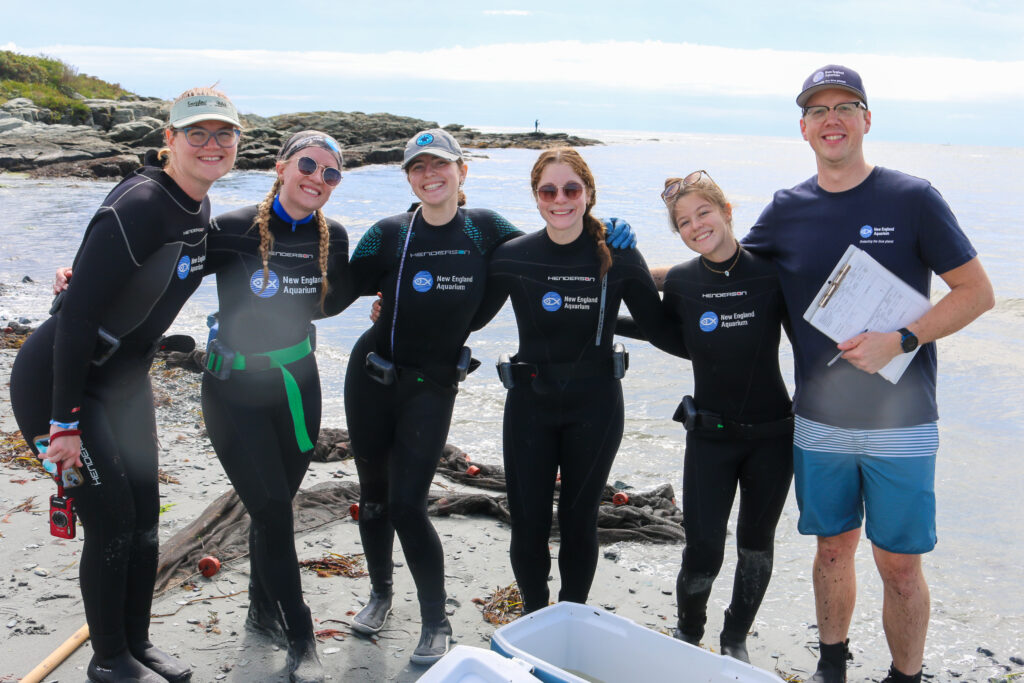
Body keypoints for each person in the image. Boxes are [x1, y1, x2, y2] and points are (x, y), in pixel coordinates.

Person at [742, 65, 994, 683]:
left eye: (845, 106)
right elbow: (726, 272)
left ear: (866, 120)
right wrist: (625, 266)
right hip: (819, 421)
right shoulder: (786, 208)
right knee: (832, 549)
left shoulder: (912, 198)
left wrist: (902, 338)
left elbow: (977, 293)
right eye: (819, 110)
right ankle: (833, 667)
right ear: (803, 129)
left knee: (900, 565)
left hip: (902, 419)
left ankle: (905, 677)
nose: (832, 119)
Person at [345, 131, 635, 664]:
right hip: (371, 371)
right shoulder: (388, 232)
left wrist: (613, 237)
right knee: (374, 496)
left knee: (408, 503)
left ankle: (443, 620)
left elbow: (551, 256)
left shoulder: (486, 228)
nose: (430, 175)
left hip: (433, 383)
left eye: (441, 165)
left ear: (463, 171)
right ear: (408, 177)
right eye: (418, 167)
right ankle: (381, 593)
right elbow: (337, 287)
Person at [9, 87, 242, 683]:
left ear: (237, 143)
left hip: (126, 383)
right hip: (61, 383)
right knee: (110, 522)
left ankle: (136, 643)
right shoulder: (141, 202)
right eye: (197, 133)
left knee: (143, 518)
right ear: (170, 140)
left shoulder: (196, 206)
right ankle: (108, 659)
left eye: (224, 134)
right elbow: (78, 317)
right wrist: (62, 424)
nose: (211, 145)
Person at [471, 147, 685, 616]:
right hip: (529, 405)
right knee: (527, 523)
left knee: (579, 519)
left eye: (571, 189)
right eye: (549, 190)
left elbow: (665, 331)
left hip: (596, 408)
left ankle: (569, 616)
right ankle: (534, 614)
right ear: (535, 195)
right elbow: (465, 318)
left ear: (588, 193)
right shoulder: (512, 257)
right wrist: (392, 311)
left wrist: (721, 302)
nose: (560, 199)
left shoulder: (621, 256)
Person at [200, 130, 352, 683]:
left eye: (331, 173)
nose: (318, 179)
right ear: (282, 166)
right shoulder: (232, 228)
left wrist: (390, 305)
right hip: (234, 389)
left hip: (299, 384)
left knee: (275, 505)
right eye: (309, 165)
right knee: (272, 510)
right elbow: (165, 273)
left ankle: (260, 608)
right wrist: (79, 281)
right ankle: (300, 635)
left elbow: (338, 298)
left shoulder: (331, 235)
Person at [628, 171, 793, 663]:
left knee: (755, 545)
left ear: (726, 211)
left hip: (773, 436)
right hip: (710, 438)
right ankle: (689, 633)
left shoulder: (771, 272)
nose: (696, 226)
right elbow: (674, 338)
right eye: (684, 222)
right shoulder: (681, 280)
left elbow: (814, 336)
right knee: (702, 549)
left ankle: (735, 638)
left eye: (704, 213)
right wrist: (590, 329)